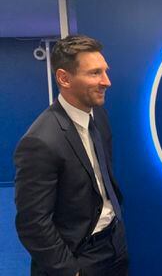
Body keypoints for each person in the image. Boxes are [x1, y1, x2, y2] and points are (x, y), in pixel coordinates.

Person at [14, 35, 128, 276]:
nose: (106, 81)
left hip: (113, 245)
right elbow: (33, 223)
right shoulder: (40, 141)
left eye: (105, 71)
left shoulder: (100, 116)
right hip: (77, 258)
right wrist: (69, 271)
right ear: (64, 78)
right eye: (95, 73)